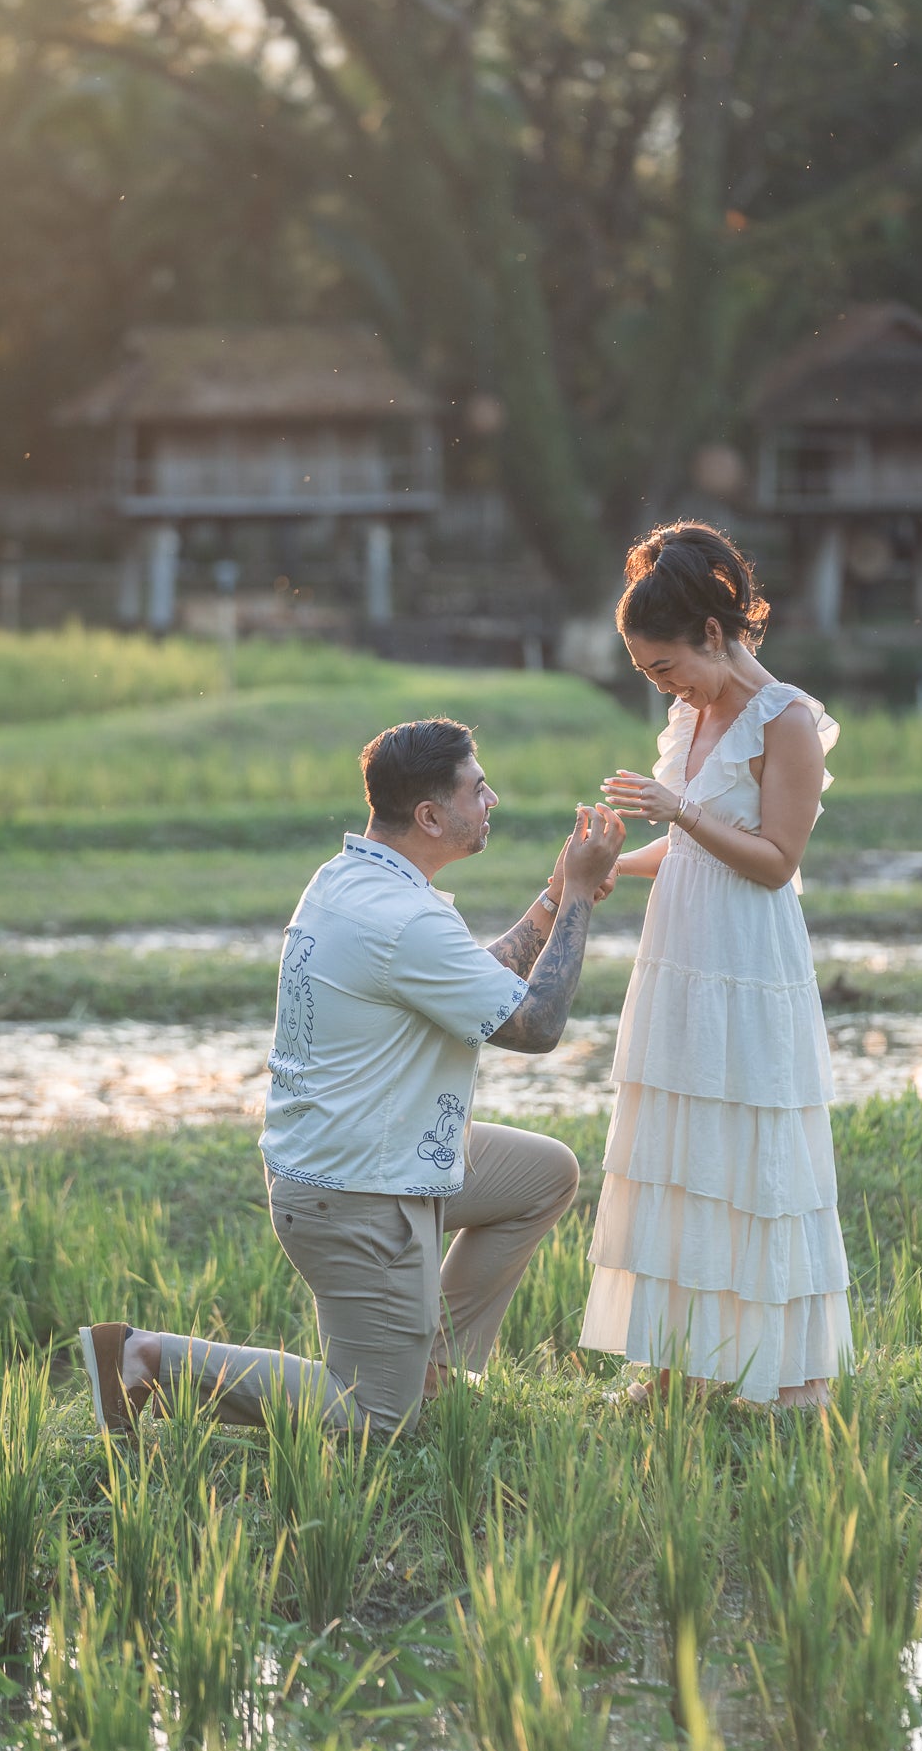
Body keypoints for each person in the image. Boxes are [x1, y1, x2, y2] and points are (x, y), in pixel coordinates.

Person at [80, 718, 624, 1438]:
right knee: (375, 1419)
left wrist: (553, 899)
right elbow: (536, 1026)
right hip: (357, 1194)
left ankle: (433, 1371)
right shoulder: (403, 920)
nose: (492, 798)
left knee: (543, 1174)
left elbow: (472, 978)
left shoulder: (353, 878)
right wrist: (583, 897)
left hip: (377, 1156)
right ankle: (149, 1356)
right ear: (430, 815)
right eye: (477, 787)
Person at [581, 523, 852, 1407]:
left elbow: (773, 859)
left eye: (664, 667)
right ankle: (673, 1364)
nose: (663, 687)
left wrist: (676, 812)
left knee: (755, 1143)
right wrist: (612, 863)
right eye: (648, 675)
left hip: (747, 955)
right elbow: (692, 850)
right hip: (679, 955)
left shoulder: (788, 721)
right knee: (676, 1145)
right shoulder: (690, 717)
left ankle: (791, 1374)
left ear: (710, 632)